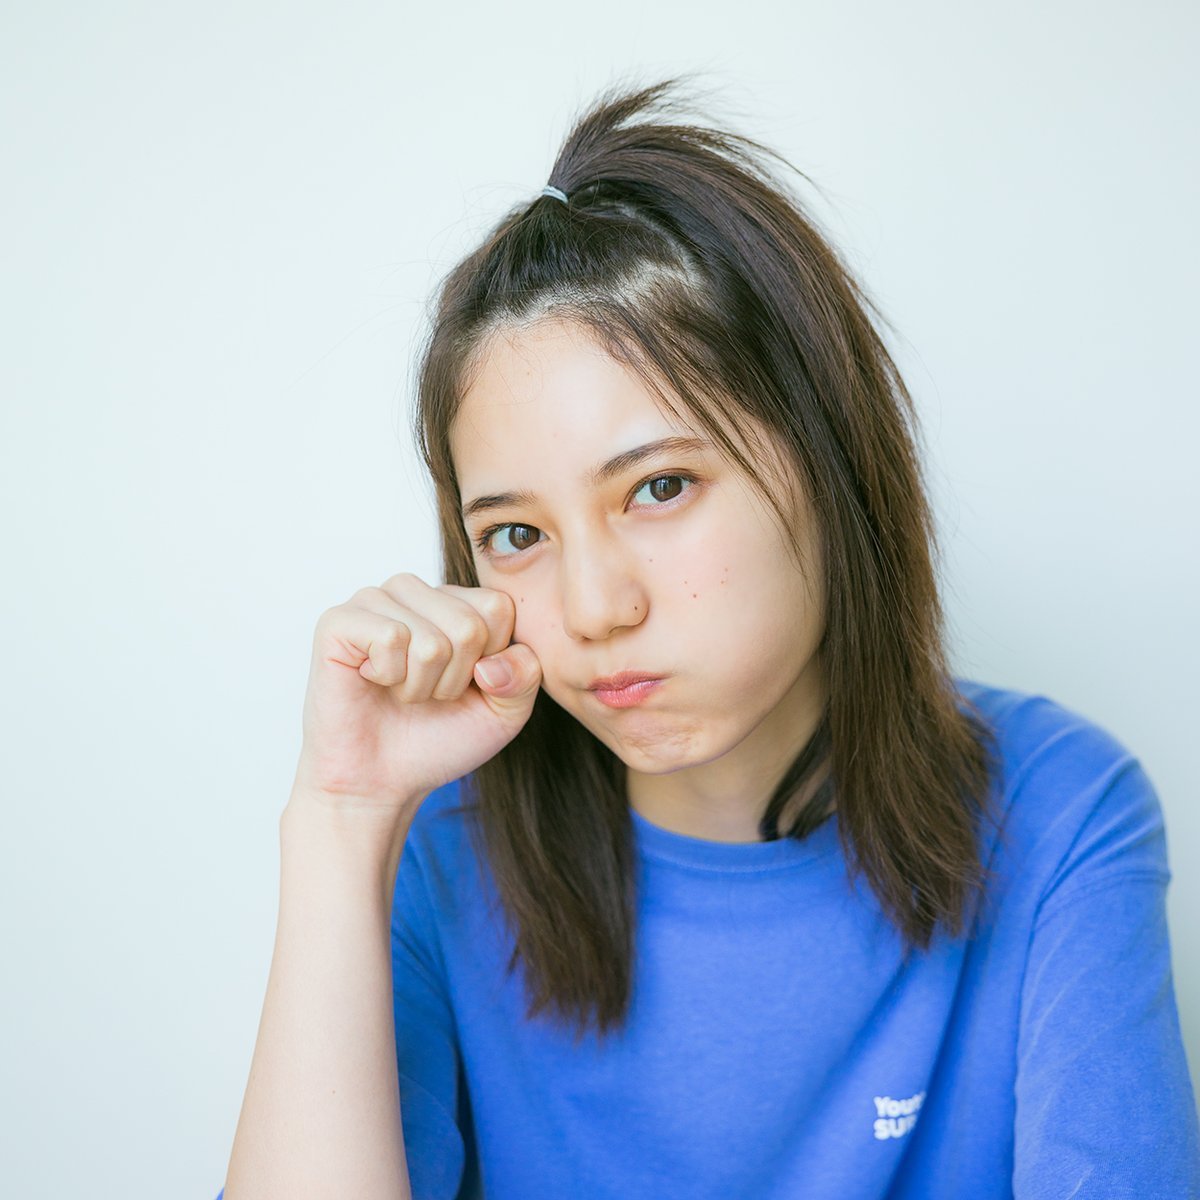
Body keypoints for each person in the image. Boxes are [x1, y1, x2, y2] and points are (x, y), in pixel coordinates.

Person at [217, 77, 1200, 1199]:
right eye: (517, 535)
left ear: (829, 459)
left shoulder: (1058, 809)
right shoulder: (439, 853)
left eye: (660, 487)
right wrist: (342, 822)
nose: (595, 607)